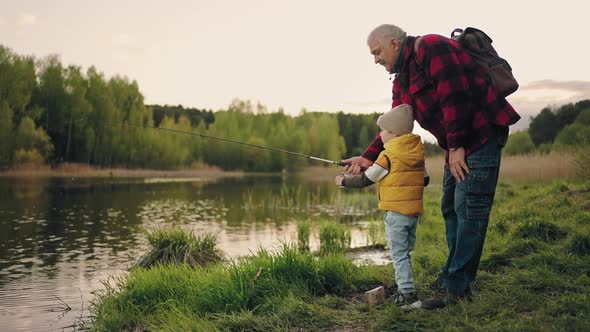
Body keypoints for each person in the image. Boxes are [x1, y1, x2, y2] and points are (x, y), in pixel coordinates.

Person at [343, 24, 521, 309]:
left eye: (377, 52)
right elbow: (395, 123)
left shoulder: (431, 48)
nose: (375, 59)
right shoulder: (401, 78)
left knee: (469, 208)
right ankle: (452, 276)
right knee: (450, 206)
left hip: (481, 135)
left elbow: (456, 96)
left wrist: (455, 147)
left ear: (394, 43)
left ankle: (456, 288)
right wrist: (367, 157)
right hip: (457, 143)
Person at [336, 104, 425, 309]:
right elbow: (425, 180)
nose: (380, 135)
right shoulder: (417, 153)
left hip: (395, 213)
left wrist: (343, 181)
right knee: (406, 253)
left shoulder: (387, 156)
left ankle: (408, 298)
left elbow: (367, 179)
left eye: (383, 130)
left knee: (399, 255)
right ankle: (407, 290)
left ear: (394, 133)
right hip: (413, 214)